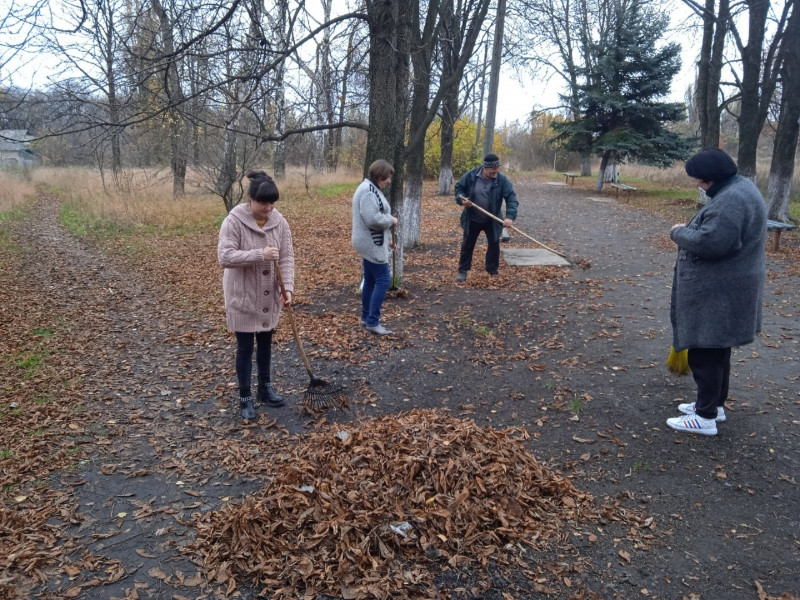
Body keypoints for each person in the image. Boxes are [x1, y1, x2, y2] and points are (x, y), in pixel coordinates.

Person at [666, 148, 766, 436]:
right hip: (728, 287)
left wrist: (679, 232)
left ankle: (705, 416)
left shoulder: (732, 199)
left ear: (713, 177)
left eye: (700, 181)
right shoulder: (742, 187)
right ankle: (713, 405)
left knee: (705, 351)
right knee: (718, 348)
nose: (698, 185)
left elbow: (713, 243)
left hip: (718, 292)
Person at [218, 171, 295, 421]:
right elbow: (225, 257)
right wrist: (259, 254)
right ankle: (245, 397)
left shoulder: (279, 222)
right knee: (244, 348)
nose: (269, 208)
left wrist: (288, 289)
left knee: (265, 344)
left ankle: (264, 388)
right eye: (264, 203)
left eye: (272, 203)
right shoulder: (234, 221)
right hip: (243, 296)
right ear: (250, 199)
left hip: (268, 296)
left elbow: (286, 257)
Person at [454, 153, 518, 281]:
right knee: (467, 245)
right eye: (493, 168)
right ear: (485, 167)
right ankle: (463, 270)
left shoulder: (502, 180)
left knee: (494, 244)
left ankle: (492, 270)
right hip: (472, 218)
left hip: (493, 219)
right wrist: (462, 200)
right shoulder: (471, 176)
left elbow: (511, 198)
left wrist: (510, 216)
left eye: (498, 167)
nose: (496, 170)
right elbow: (459, 188)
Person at [351, 159, 398, 336]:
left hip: (371, 241)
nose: (389, 181)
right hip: (370, 243)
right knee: (384, 279)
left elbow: (371, 217)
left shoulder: (369, 188)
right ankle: (373, 321)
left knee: (370, 280)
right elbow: (373, 220)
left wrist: (388, 241)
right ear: (380, 175)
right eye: (388, 177)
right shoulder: (368, 192)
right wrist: (391, 220)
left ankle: (366, 318)